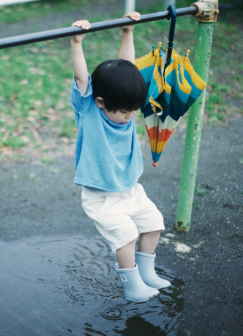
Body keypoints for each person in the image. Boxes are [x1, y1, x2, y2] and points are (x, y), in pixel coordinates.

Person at [70, 12, 171, 303]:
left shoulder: (124, 107)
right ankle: (132, 284)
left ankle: (147, 272)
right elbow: (80, 76)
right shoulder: (89, 109)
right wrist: (76, 43)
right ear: (100, 102)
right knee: (125, 234)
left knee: (154, 223)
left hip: (130, 190)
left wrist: (128, 33)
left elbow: (128, 67)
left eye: (133, 111)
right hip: (101, 196)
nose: (129, 117)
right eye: (125, 112)